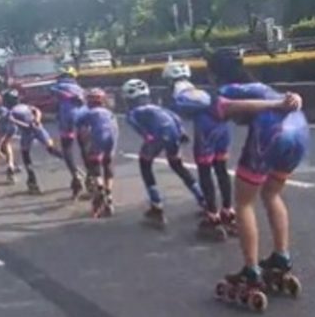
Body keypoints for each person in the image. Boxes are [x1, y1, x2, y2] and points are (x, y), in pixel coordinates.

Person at [206, 49, 308, 310]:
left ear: (214, 72)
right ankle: (281, 257)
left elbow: (227, 108)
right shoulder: (260, 85)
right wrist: (284, 101)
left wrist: (273, 106)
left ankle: (251, 271)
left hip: (271, 133)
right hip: (299, 130)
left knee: (243, 202)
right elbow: (286, 100)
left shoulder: (226, 90)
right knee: (272, 193)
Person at [163, 61, 237, 242]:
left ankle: (212, 215)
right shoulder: (197, 89)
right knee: (221, 169)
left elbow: (177, 115)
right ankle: (228, 210)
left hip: (205, 129)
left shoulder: (178, 90)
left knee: (205, 171)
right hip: (221, 126)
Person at [121, 78, 206, 227]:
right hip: (173, 133)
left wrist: (147, 136)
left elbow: (135, 124)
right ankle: (203, 200)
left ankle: (156, 206)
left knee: (145, 164)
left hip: (156, 137)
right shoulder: (158, 107)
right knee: (178, 166)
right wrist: (182, 132)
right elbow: (175, 118)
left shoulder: (133, 112)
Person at [3, 89, 63, 194]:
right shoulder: (25, 106)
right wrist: (37, 120)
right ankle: (68, 160)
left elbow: (14, 122)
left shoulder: (11, 112)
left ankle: (31, 179)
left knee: (26, 155)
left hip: (27, 133)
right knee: (51, 149)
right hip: (38, 129)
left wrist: (21, 124)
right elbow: (37, 110)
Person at [76, 88, 119, 217]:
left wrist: (88, 146)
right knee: (108, 163)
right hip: (112, 135)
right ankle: (109, 195)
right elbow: (115, 128)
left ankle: (99, 187)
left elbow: (82, 133)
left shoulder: (86, 113)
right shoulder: (109, 112)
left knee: (94, 164)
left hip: (98, 136)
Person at [50, 66, 90, 199]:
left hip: (67, 117)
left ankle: (75, 174)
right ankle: (91, 176)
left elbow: (54, 101)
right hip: (83, 115)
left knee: (67, 148)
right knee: (84, 147)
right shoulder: (80, 89)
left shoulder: (57, 86)